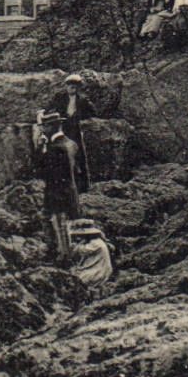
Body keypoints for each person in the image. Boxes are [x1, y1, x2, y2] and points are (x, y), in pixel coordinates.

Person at [36, 115, 83, 261]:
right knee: (64, 225)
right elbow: (78, 171)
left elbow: (42, 171)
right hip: (70, 191)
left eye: (44, 127)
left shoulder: (55, 148)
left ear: (51, 127)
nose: (42, 130)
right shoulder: (71, 144)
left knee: (57, 224)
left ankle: (61, 255)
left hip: (56, 193)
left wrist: (42, 149)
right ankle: (63, 253)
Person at [46, 73, 96, 188]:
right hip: (62, 127)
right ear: (66, 86)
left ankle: (83, 185)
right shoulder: (60, 97)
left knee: (79, 154)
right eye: (69, 86)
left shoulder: (82, 99)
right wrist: (44, 112)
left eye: (74, 86)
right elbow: (49, 106)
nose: (71, 88)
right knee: (60, 152)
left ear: (78, 88)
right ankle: (61, 182)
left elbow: (92, 111)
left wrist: (80, 118)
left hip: (75, 128)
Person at [67, 219, 115, 286]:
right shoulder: (94, 241)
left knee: (75, 280)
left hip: (98, 271)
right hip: (95, 268)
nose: (78, 237)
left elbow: (79, 251)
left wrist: (75, 245)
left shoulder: (95, 243)